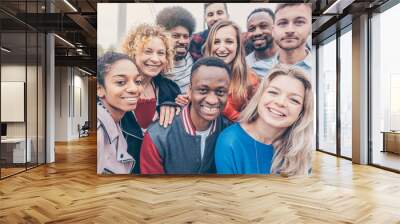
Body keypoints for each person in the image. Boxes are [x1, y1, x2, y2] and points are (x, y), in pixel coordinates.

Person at [215, 65, 314, 176]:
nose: (280, 102)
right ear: (260, 96)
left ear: (302, 112)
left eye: (294, 100)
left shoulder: (304, 150)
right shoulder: (231, 141)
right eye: (273, 92)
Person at [140, 57, 231, 174]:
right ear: (189, 91)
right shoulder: (157, 136)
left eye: (220, 92)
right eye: (203, 90)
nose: (212, 100)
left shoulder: (230, 133)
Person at [120, 24, 181, 174]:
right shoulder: (117, 89)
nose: (155, 59)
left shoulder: (172, 90)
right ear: (133, 53)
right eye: (148, 51)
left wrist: (176, 106)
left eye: (161, 53)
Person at [97, 52, 143, 174]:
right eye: (120, 82)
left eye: (138, 81)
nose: (134, 89)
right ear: (99, 89)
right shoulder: (99, 134)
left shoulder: (118, 121)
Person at [203, 20, 259, 122]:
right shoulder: (200, 75)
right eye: (216, 42)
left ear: (238, 46)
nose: (222, 48)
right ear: (210, 46)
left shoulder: (251, 79)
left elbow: (254, 121)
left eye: (229, 41)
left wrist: (225, 108)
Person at [156, 6, 196, 94]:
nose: (182, 41)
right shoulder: (156, 65)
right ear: (163, 37)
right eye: (175, 36)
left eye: (185, 36)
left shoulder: (196, 56)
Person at [272, 3, 312, 74]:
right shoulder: (256, 71)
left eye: (299, 22)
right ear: (273, 30)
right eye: (282, 23)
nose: (290, 30)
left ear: (310, 28)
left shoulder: (320, 67)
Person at [245, 8, 277, 78]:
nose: (257, 33)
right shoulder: (244, 66)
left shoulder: (290, 58)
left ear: (275, 28)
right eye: (252, 29)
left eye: (263, 26)